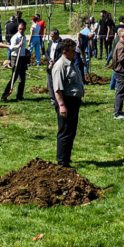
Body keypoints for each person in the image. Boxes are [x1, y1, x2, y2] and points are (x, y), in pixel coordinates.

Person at [51, 39, 84, 167]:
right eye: (72, 50)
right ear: (65, 51)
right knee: (64, 131)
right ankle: (61, 162)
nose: (75, 53)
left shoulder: (71, 63)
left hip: (74, 102)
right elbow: (58, 89)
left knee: (71, 131)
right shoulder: (60, 66)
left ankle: (67, 157)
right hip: (66, 102)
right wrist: (62, 105)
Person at [3, 21, 31, 101]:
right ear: (18, 29)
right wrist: (18, 45)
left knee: (22, 78)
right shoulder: (15, 37)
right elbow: (11, 48)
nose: (21, 30)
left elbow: (23, 48)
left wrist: (25, 51)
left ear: (25, 29)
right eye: (20, 29)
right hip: (15, 57)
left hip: (22, 58)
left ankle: (19, 96)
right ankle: (5, 95)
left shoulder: (24, 37)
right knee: (14, 77)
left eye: (22, 29)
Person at [110, 26, 124, 119]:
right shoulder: (121, 46)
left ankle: (118, 110)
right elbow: (121, 59)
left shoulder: (121, 44)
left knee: (121, 91)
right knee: (120, 92)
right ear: (123, 36)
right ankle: (117, 113)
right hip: (121, 71)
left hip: (121, 71)